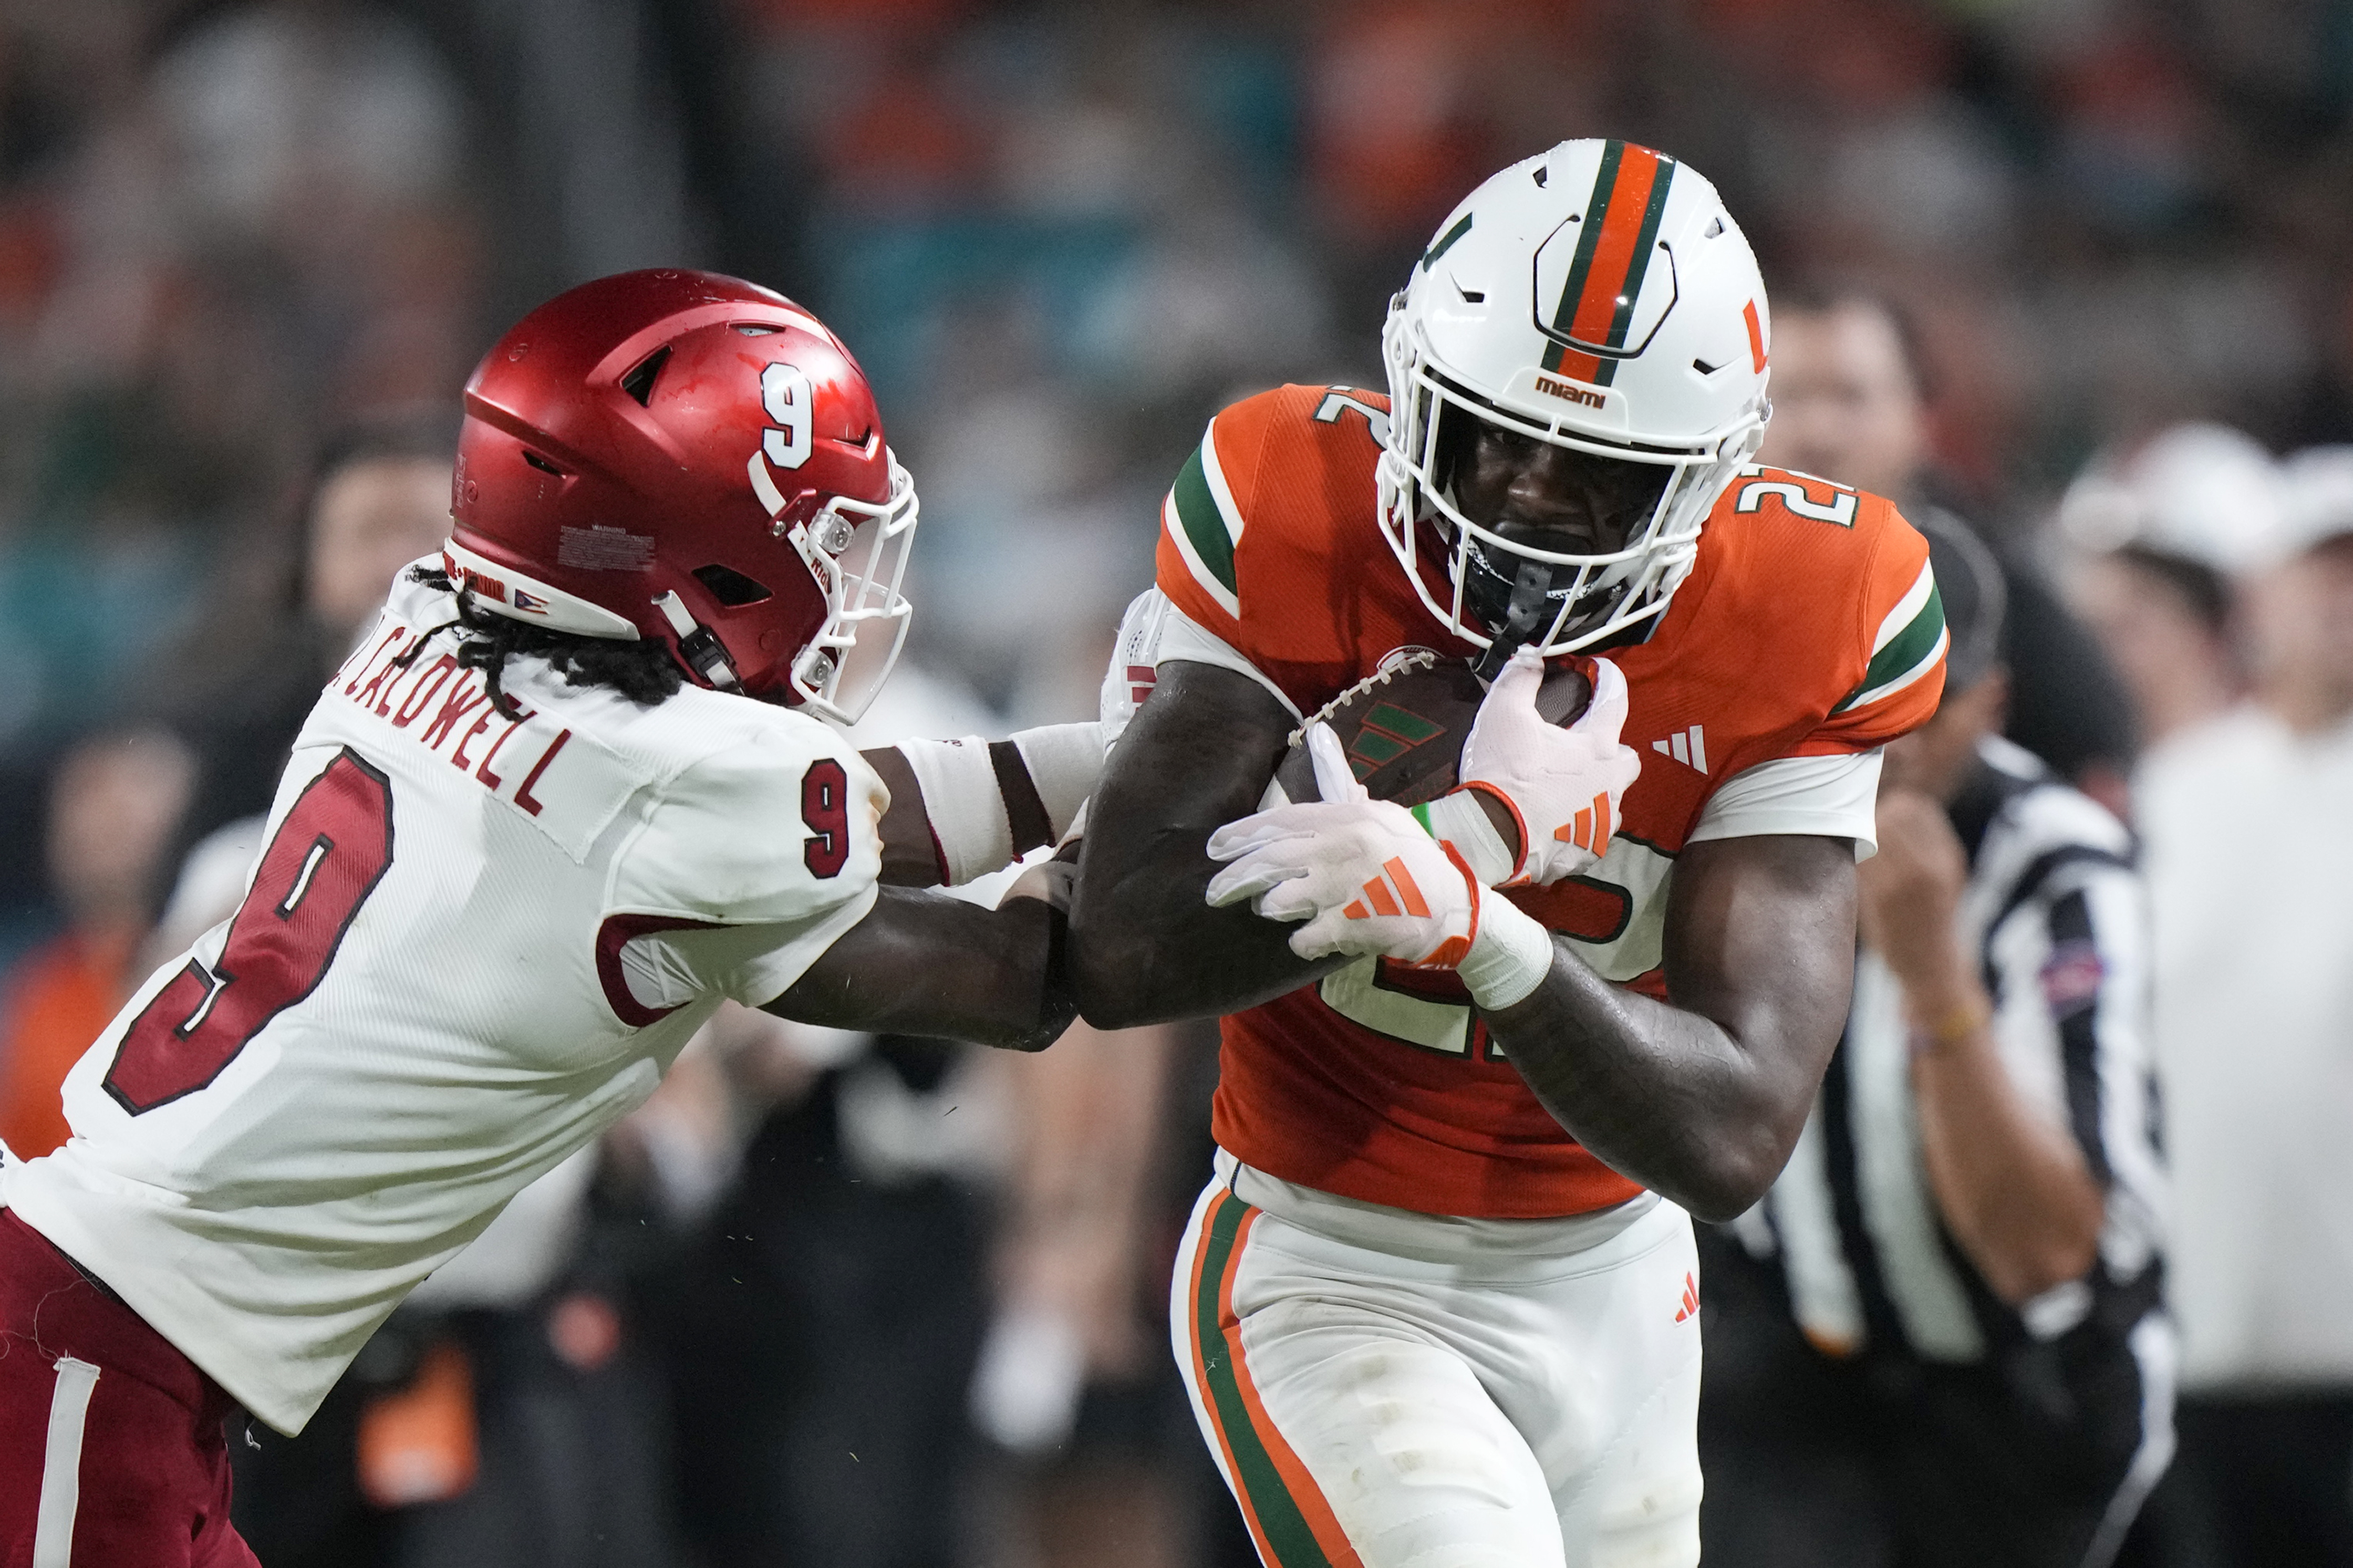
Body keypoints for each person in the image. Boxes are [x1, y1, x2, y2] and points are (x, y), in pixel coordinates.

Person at [0, 268, 1096, 1567]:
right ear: (684, 538)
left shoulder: (417, 615)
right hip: (100, 1347)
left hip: (109, 1321)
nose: (836, 573)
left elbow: (874, 808)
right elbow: (972, 912)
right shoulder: (656, 777)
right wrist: (1207, 756)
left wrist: (1137, 756)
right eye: (812, 535)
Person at [1071, 139, 1948, 1565]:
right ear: (1410, 387)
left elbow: (1729, 1132)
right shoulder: (1290, 495)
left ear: (1707, 473)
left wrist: (1480, 928)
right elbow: (1123, 947)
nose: (1524, 501)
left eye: (1594, 474)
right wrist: (1455, 839)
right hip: (1329, 1262)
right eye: (1489, 437)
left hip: (1619, 1286)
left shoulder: (1816, 603)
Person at [1694, 516, 2170, 1568]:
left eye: (1922, 709)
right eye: (1851, 705)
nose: (1882, 744)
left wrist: (1932, 973)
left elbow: (2041, 1251)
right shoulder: (1729, 811)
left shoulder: (2057, 865)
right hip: (1794, 1377)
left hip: (2019, 1392)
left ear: (1989, 705)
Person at [2132, 446, 2353, 1567]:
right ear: (2260, 594)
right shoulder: (2176, 789)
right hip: (2199, 1343)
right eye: (2318, 571)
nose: (2338, 602)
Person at [1760, 285, 2139, 814]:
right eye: (1791, 396)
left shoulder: (1983, 577)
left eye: (1852, 398)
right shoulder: (1672, 555)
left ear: (1922, 420)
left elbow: (2095, 753)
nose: (1820, 432)